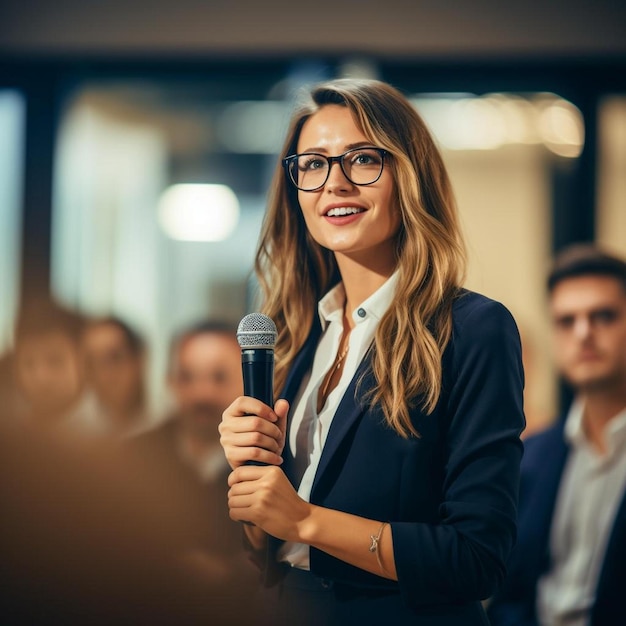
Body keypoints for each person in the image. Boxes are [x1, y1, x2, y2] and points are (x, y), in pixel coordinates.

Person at [218, 78, 525, 625]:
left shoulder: (472, 329)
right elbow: (270, 550)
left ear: (409, 177)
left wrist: (306, 520)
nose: (334, 183)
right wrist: (252, 480)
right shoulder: (297, 335)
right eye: (313, 164)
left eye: (362, 159)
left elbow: (477, 559)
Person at [487, 244, 626, 626]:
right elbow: (511, 592)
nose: (583, 332)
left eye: (604, 316)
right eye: (567, 321)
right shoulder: (532, 456)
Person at [130, 319, 257, 617]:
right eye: (188, 377)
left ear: (246, 382)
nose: (202, 393)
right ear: (169, 381)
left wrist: (231, 575)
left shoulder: (271, 463)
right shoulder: (129, 459)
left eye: (219, 377)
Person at [11, 299, 102, 437]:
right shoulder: (13, 434)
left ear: (83, 361)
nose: (41, 377)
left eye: (55, 361)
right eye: (28, 363)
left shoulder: (106, 438)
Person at [81, 315, 150, 437]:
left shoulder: (168, 429)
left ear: (139, 361)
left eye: (114, 359)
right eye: (91, 364)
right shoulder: (77, 436)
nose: (103, 375)